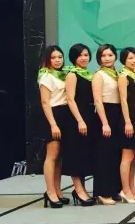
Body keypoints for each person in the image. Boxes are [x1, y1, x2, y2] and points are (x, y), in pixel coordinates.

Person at [62, 43, 95, 205]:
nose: (84, 58)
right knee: (75, 154)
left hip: (89, 116)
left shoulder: (88, 74)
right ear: (74, 58)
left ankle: (82, 189)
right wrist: (80, 120)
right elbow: (70, 99)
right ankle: (78, 189)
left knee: (84, 154)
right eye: (80, 55)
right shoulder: (72, 75)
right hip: (75, 119)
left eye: (86, 55)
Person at [38, 45, 69, 208]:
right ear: (47, 59)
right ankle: (50, 191)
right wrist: (53, 124)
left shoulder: (64, 74)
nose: (57, 60)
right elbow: (45, 102)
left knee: (60, 157)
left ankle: (58, 190)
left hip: (65, 114)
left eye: (60, 57)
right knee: (52, 155)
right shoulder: (46, 76)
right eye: (53, 57)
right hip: (53, 115)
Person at [92, 44, 123, 205]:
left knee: (115, 154)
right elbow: (98, 100)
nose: (107, 58)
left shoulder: (117, 74)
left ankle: (113, 189)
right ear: (99, 58)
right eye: (103, 56)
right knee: (104, 155)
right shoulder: (99, 75)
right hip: (105, 115)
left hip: (118, 114)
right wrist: (104, 123)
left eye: (110, 55)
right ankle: (102, 192)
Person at [117, 47, 135, 203]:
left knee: (134, 157)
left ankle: (132, 189)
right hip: (128, 122)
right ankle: (125, 190)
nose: (134, 61)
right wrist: (127, 122)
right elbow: (123, 100)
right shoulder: (123, 76)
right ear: (123, 60)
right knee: (127, 157)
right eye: (130, 58)